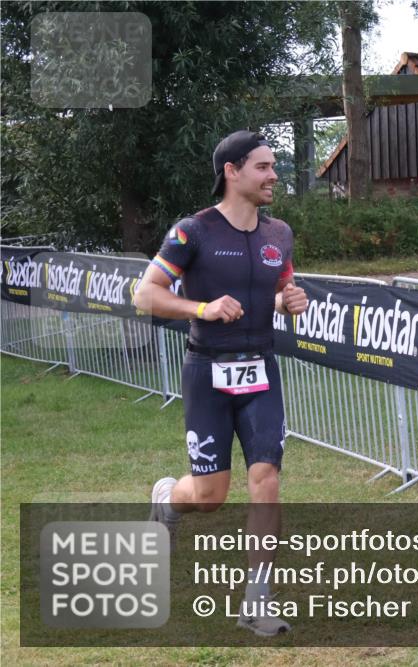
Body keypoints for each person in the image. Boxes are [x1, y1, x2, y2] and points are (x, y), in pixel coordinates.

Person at [134, 130, 308, 636]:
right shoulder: (194, 232)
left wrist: (286, 302)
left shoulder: (280, 234)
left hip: (262, 370)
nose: (274, 175)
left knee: (266, 480)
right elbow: (146, 296)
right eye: (263, 166)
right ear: (232, 172)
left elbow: (278, 289)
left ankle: (258, 601)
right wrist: (202, 308)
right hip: (207, 370)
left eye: (273, 166)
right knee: (210, 496)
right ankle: (169, 498)